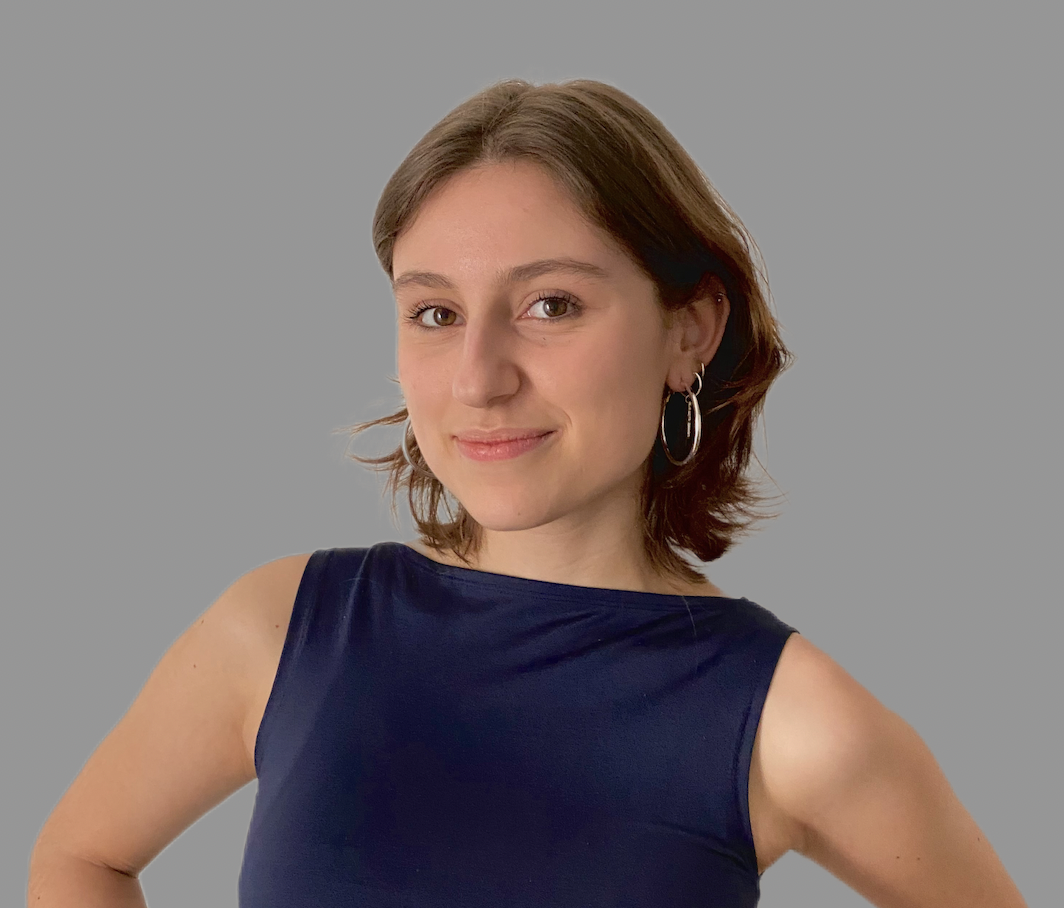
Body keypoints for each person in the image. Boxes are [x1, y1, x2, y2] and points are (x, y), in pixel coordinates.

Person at [27, 79, 1027, 907]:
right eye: (435, 313)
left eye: (551, 304)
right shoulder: (284, 629)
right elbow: (81, 857)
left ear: (689, 329)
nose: (478, 377)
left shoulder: (790, 721)